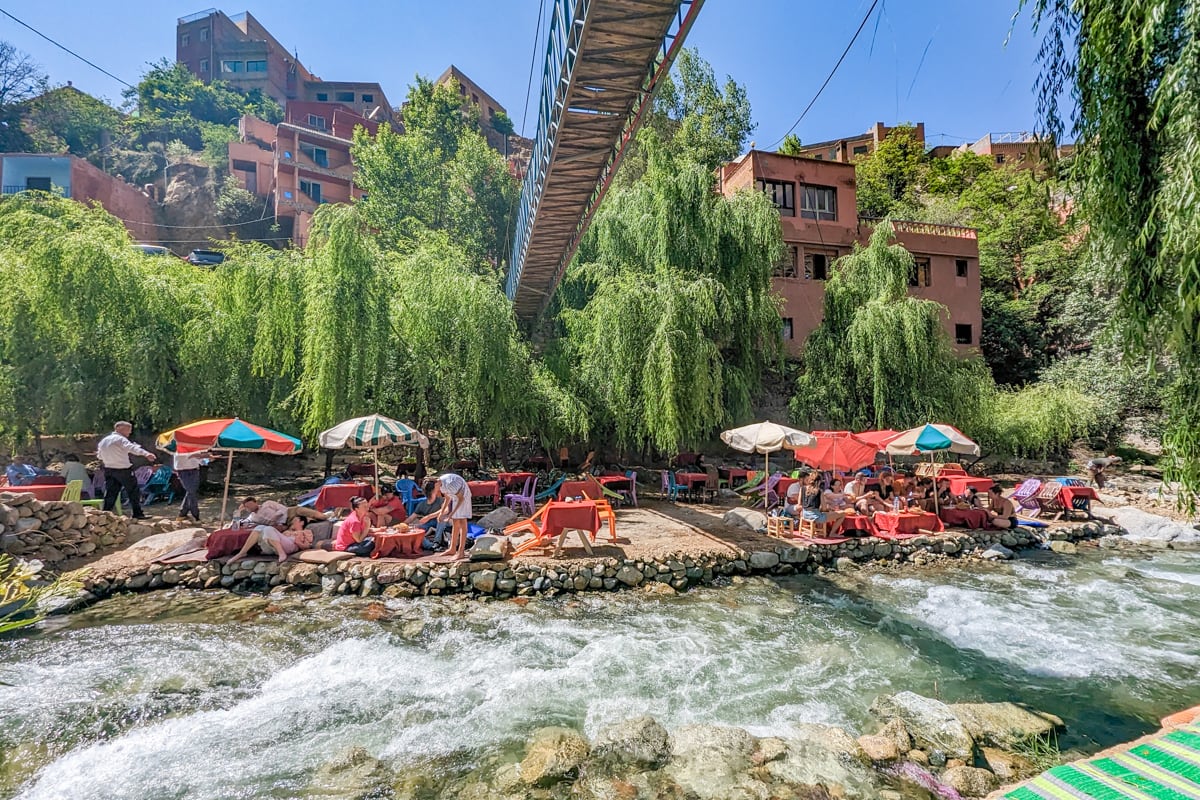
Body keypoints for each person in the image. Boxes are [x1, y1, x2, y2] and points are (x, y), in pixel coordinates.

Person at [97, 421, 156, 519]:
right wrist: (146, 454)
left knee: (111, 492)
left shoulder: (103, 441)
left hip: (109, 469)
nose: (130, 433)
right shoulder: (120, 439)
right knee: (133, 491)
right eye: (129, 430)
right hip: (123, 469)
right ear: (120, 429)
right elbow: (132, 448)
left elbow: (99, 456)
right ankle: (137, 513)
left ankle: (105, 514)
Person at [414, 472, 471, 561]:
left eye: (434, 491)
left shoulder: (449, 484)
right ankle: (452, 548)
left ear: (436, 484)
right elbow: (447, 498)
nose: (436, 493)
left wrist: (451, 514)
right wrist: (441, 513)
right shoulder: (441, 484)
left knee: (462, 522)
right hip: (455, 497)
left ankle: (461, 552)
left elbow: (461, 498)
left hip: (463, 496)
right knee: (456, 523)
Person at [227, 516, 314, 564]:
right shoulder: (286, 531)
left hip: (290, 546)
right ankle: (242, 552)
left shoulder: (305, 532)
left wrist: (299, 543)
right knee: (259, 528)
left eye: (295, 520)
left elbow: (308, 546)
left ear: (302, 522)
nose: (292, 522)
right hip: (273, 548)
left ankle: (281, 553)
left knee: (268, 529)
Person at [173, 448, 209, 523]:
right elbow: (189, 456)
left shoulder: (195, 448)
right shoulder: (180, 448)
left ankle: (182, 514)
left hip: (194, 470)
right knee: (191, 491)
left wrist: (208, 459)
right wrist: (202, 455)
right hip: (183, 471)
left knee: (191, 491)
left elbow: (201, 461)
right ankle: (195, 515)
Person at [411, 479, 447, 549]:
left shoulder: (440, 500)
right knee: (415, 528)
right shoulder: (422, 504)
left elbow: (445, 511)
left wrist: (428, 517)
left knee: (442, 518)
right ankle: (429, 546)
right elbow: (412, 517)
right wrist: (401, 525)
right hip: (429, 524)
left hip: (442, 522)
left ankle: (437, 542)